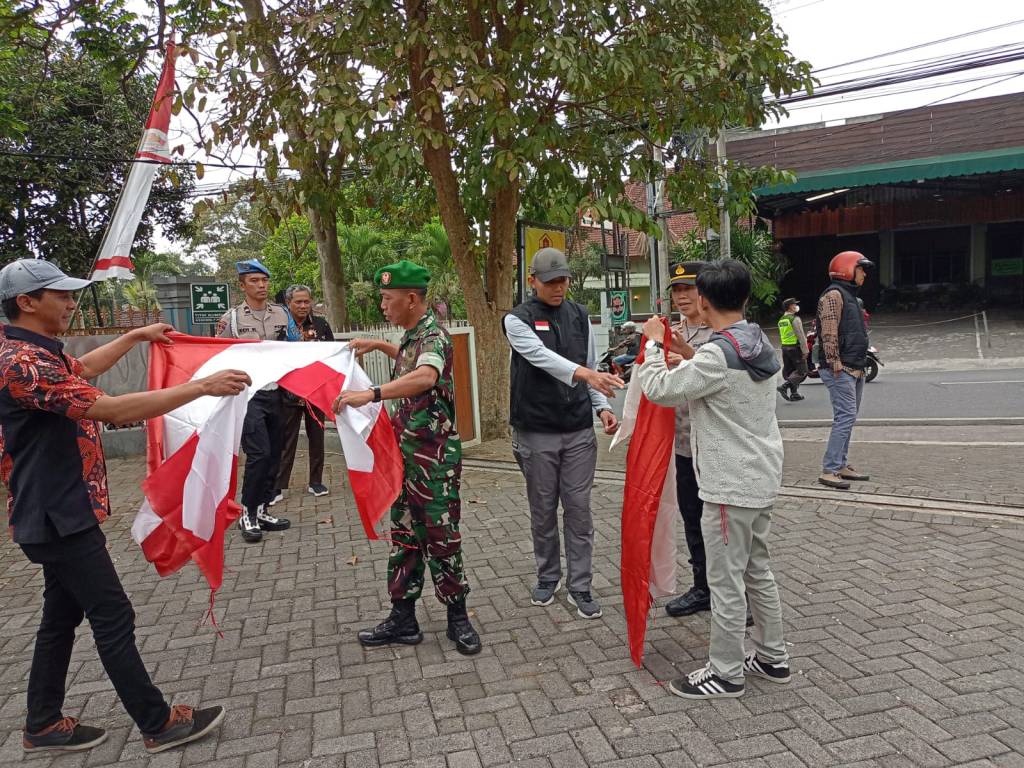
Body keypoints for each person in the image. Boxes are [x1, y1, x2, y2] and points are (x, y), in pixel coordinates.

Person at [0, 259, 249, 753]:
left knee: (59, 617)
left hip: (53, 511)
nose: (71, 303)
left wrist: (136, 338)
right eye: (61, 295)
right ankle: (157, 723)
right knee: (113, 615)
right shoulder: (21, 363)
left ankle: (43, 724)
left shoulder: (32, 353)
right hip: (58, 514)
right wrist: (201, 386)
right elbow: (110, 409)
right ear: (26, 302)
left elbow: (85, 368)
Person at [637, 259, 789, 700]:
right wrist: (688, 352)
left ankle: (725, 672)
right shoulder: (757, 341)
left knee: (725, 582)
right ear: (744, 298)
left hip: (728, 484)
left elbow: (659, 390)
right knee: (758, 570)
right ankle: (772, 656)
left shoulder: (716, 354)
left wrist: (652, 346)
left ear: (703, 300)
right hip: (760, 478)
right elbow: (723, 381)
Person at [332, 259, 481, 655]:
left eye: (387, 298)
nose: (382, 305)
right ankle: (403, 618)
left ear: (411, 299)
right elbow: (411, 357)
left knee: (441, 538)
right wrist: (379, 344)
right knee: (405, 538)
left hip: (433, 463)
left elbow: (426, 375)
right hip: (406, 459)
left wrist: (372, 393)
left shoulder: (434, 336)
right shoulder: (416, 335)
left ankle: (458, 618)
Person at [503, 247, 622, 619]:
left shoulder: (579, 315)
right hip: (536, 430)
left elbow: (589, 364)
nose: (559, 287)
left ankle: (581, 585)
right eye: (551, 281)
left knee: (579, 510)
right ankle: (547, 576)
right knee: (542, 511)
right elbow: (542, 358)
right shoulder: (516, 320)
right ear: (532, 281)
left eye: (564, 280)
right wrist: (587, 375)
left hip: (576, 430)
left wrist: (601, 408)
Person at [216, 259, 293, 542]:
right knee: (259, 454)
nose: (261, 286)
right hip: (248, 396)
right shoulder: (232, 319)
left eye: (264, 280)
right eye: (254, 281)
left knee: (274, 454)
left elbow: (295, 348)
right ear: (242, 285)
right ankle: (246, 512)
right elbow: (217, 353)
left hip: (277, 392)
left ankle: (262, 509)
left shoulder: (282, 314)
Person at [816, 251, 874, 490]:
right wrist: (834, 362)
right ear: (848, 269)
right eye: (861, 269)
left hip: (855, 366)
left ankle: (840, 464)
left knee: (849, 418)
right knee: (845, 417)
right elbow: (829, 331)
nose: (864, 274)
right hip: (840, 368)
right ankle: (830, 468)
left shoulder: (849, 296)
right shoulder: (833, 295)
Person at [273, 284, 333, 500]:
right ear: (288, 303)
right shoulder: (279, 327)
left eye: (306, 301)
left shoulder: (321, 324)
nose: (303, 305)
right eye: (298, 301)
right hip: (288, 392)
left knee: (317, 437)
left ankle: (316, 482)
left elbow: (331, 355)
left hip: (315, 392)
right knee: (285, 440)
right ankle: (278, 486)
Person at [776, 297, 808, 402]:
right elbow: (801, 336)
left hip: (785, 348)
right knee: (802, 371)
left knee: (791, 371)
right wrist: (805, 350)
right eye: (794, 304)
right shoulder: (794, 319)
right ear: (790, 307)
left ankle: (794, 394)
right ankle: (784, 387)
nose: (796, 306)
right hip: (795, 348)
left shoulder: (781, 320)